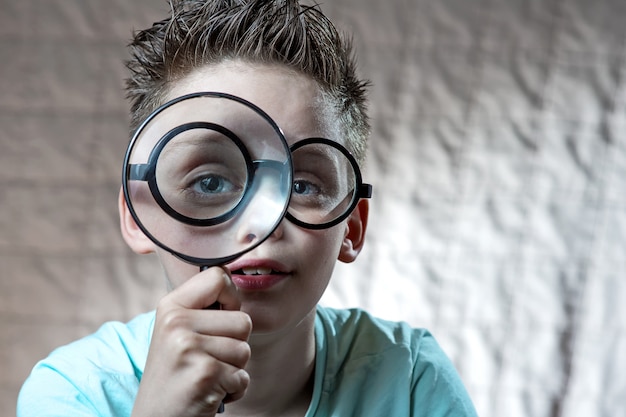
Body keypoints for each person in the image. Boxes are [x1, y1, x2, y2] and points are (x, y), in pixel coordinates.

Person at [17, 1, 478, 416]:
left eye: (302, 184)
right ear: (140, 215)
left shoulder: (413, 380)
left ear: (352, 227)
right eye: (210, 181)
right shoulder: (74, 391)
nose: (264, 221)